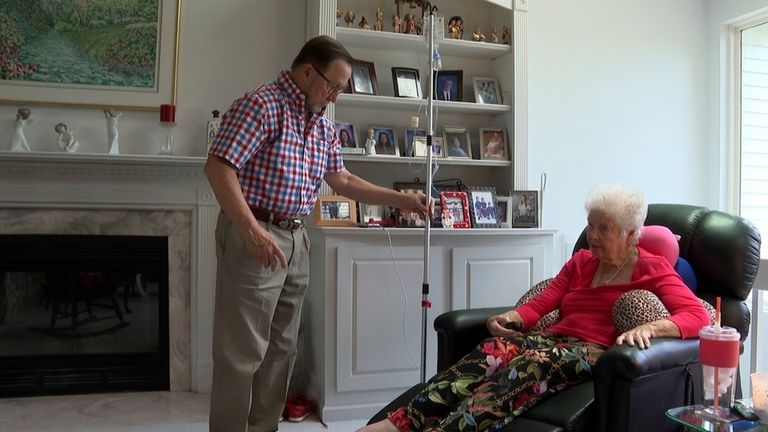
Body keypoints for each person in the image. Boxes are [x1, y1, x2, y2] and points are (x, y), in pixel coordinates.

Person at [204, 35, 430, 432]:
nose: (335, 97)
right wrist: (252, 232)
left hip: (296, 239)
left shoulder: (322, 122)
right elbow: (219, 168)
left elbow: (341, 179)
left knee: (282, 351)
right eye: (333, 85)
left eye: (340, 89)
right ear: (307, 71)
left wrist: (403, 199)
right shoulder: (261, 105)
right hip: (254, 233)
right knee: (241, 355)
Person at [360, 184, 710, 432]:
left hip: (592, 353)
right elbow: (546, 300)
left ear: (632, 234)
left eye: (605, 229)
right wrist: (513, 317)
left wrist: (650, 328)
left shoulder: (653, 268)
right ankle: (399, 423)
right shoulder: (582, 262)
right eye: (591, 225)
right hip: (551, 341)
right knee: (491, 351)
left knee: (529, 366)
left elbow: (698, 315)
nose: (593, 235)